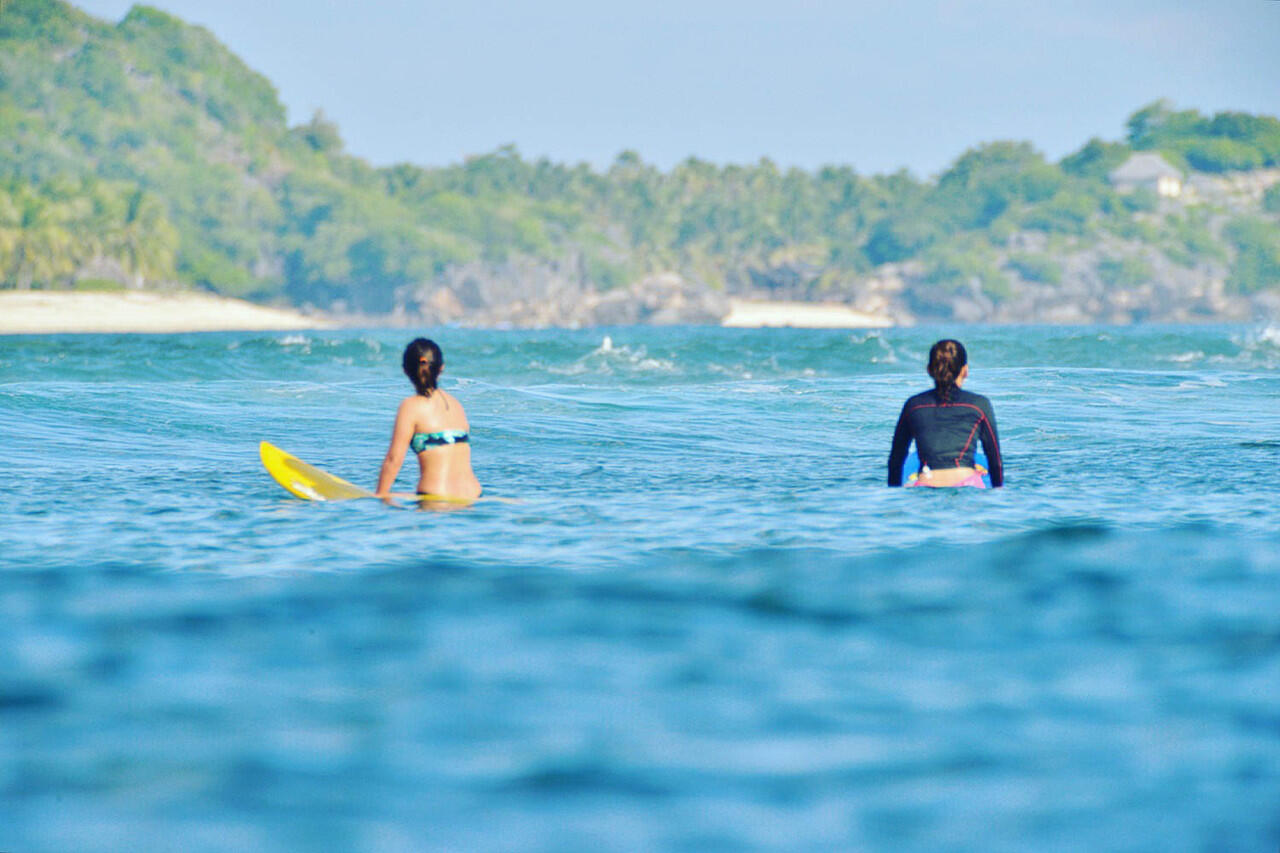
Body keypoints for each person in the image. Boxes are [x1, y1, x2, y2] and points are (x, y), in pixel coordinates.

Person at [375, 338, 482, 500]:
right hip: (473, 499)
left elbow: (393, 459)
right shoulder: (455, 404)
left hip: (436, 501)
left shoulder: (411, 407)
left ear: (405, 370)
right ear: (441, 368)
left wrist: (380, 496)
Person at [888, 339, 1003, 488]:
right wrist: (999, 494)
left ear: (929, 370)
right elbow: (995, 460)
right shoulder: (979, 405)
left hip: (926, 485)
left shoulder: (913, 405)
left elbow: (896, 460)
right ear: (965, 371)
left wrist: (892, 496)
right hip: (968, 484)